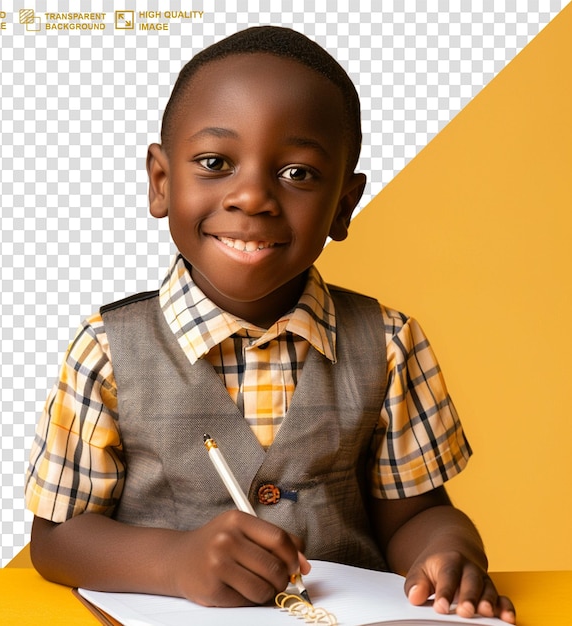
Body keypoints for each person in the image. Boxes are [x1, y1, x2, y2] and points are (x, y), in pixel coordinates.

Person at [25, 26, 515, 623]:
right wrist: (175, 561)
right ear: (161, 181)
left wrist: (447, 551)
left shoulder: (388, 344)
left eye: (299, 174)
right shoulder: (106, 351)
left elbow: (415, 515)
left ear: (343, 204)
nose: (253, 196)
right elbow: (57, 542)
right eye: (214, 163)